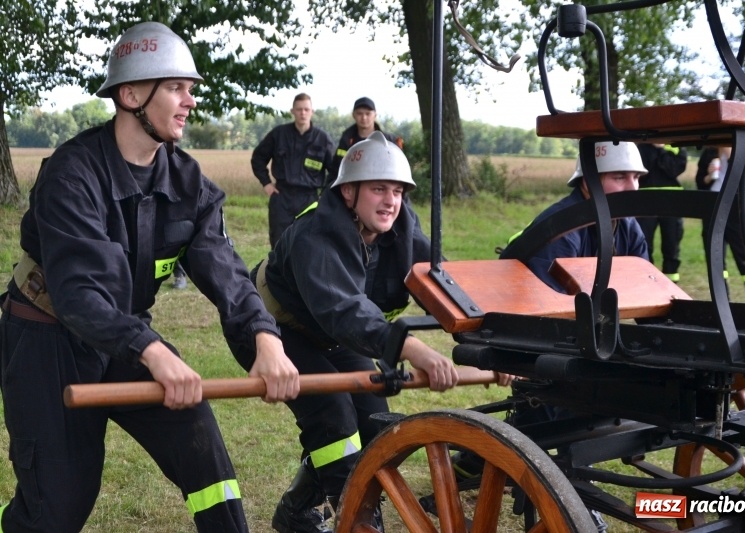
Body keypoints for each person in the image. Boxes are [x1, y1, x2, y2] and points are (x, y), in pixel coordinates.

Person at [0, 22, 300, 533]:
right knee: (59, 504)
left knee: (200, 444)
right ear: (131, 95)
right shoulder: (71, 175)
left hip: (127, 338)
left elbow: (227, 273)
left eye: (190, 88)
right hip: (49, 340)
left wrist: (265, 338)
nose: (190, 101)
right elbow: (78, 295)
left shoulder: (190, 184)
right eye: (176, 87)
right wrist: (155, 352)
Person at [251, 131, 474, 533]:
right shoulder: (315, 234)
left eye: (398, 191)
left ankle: (297, 511)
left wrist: (485, 339)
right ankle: (362, 522)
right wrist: (412, 348)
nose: (390, 201)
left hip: (335, 336)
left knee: (374, 421)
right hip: (276, 329)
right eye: (378, 189)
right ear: (348, 192)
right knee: (333, 416)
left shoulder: (403, 230)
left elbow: (447, 289)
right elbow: (346, 312)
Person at [501, 140, 649, 293]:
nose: (633, 188)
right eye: (619, 177)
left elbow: (645, 286)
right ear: (588, 181)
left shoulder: (627, 224)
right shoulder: (562, 227)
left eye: (636, 177)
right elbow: (550, 300)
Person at [250, 93, 337, 248]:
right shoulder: (279, 134)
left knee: (309, 245)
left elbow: (336, 170)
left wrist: (324, 195)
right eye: (299, 109)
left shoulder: (322, 139)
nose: (303, 113)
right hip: (282, 198)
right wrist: (266, 183)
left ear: (312, 112)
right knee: (279, 245)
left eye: (306, 109)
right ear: (292, 111)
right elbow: (258, 158)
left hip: (310, 199)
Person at [696, 146, 745, 301]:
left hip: (736, 210)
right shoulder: (709, 153)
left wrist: (731, 157)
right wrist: (709, 176)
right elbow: (700, 182)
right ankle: (722, 302)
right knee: (715, 257)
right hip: (712, 208)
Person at [636, 143, 688, 282]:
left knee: (672, 243)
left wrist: (662, 150)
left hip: (671, 201)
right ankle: (646, 278)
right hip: (645, 201)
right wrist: (654, 148)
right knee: (644, 242)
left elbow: (673, 170)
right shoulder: (641, 147)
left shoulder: (677, 146)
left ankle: (672, 280)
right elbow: (642, 172)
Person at [333, 97, 404, 172]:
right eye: (359, 113)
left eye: (368, 114)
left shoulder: (389, 141)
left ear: (375, 115)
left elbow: (400, 169)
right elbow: (336, 169)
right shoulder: (346, 141)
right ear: (353, 115)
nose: (364, 117)